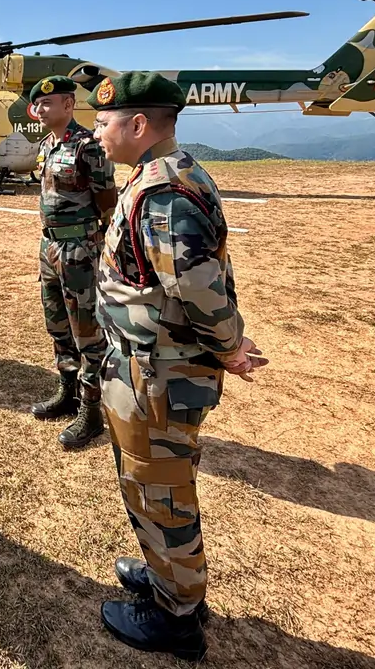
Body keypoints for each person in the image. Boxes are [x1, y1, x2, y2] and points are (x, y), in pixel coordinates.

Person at [87, 71, 268, 661]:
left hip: (158, 373)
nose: (97, 130)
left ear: (138, 125)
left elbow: (197, 285)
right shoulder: (153, 176)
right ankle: (167, 575)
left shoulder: (162, 190)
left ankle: (177, 615)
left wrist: (230, 349)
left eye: (104, 121)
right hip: (143, 365)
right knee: (147, 482)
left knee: (161, 489)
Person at [27, 75, 118, 450]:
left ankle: (92, 411)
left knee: (88, 333)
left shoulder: (86, 147)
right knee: (58, 326)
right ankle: (68, 392)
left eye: (48, 103)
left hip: (79, 249)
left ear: (68, 105)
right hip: (49, 249)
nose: (40, 109)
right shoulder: (47, 145)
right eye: (38, 104)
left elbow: (107, 201)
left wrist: (94, 241)